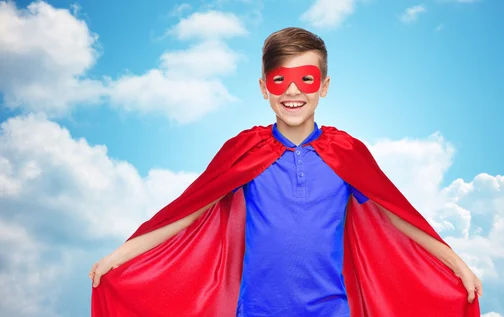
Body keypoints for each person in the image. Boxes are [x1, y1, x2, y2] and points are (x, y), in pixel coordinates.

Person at [90, 27, 482, 317]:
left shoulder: (346, 152)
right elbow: (187, 210)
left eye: (305, 80)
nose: (293, 93)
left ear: (324, 86)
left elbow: (398, 213)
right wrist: (121, 255)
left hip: (330, 309)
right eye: (281, 80)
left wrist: (456, 264)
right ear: (264, 87)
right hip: (257, 309)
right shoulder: (245, 150)